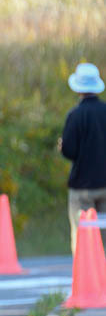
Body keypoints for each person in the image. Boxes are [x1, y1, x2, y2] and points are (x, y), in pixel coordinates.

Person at [59, 62, 106, 255]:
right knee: (103, 235)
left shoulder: (75, 115)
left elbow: (69, 151)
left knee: (83, 236)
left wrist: (62, 146)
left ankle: (86, 281)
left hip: (82, 188)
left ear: (78, 88)